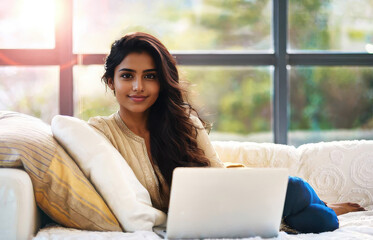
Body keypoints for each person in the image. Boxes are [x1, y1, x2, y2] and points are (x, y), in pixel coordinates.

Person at [88, 32, 365, 234]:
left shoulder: (182, 121)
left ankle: (323, 203)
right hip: (203, 216)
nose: (138, 86)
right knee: (321, 222)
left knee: (297, 193)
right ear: (111, 81)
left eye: (150, 76)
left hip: (235, 197)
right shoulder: (101, 132)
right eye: (127, 76)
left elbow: (217, 171)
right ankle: (329, 206)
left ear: (162, 81)